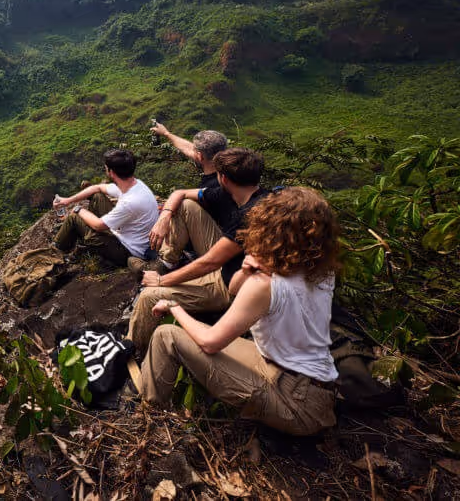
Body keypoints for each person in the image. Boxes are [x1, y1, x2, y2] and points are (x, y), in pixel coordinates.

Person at [138, 187, 339, 436]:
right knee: (196, 334)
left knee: (166, 335)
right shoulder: (321, 271)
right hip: (310, 386)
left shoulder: (264, 285)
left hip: (296, 403)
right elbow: (233, 290)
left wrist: (174, 306)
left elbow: (210, 342)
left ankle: (147, 421)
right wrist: (246, 270)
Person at [127, 148, 268, 352]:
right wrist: (165, 216)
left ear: (223, 178)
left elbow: (210, 262)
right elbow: (181, 193)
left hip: (233, 284)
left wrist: (161, 281)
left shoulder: (250, 217)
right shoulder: (240, 195)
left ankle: (130, 350)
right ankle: (166, 263)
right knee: (186, 205)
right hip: (232, 261)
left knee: (150, 296)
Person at [132, 123, 231, 272]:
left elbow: (180, 194)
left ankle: (166, 264)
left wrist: (165, 216)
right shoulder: (230, 169)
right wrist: (166, 133)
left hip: (220, 252)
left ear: (200, 156)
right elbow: (188, 148)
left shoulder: (216, 187)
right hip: (229, 240)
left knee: (183, 205)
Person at [53, 149, 158, 267]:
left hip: (128, 251)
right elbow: (97, 188)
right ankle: (76, 239)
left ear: (111, 172)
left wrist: (78, 209)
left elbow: (98, 225)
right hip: (128, 235)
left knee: (74, 218)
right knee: (97, 196)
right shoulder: (135, 184)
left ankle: (54, 252)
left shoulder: (130, 202)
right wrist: (68, 200)